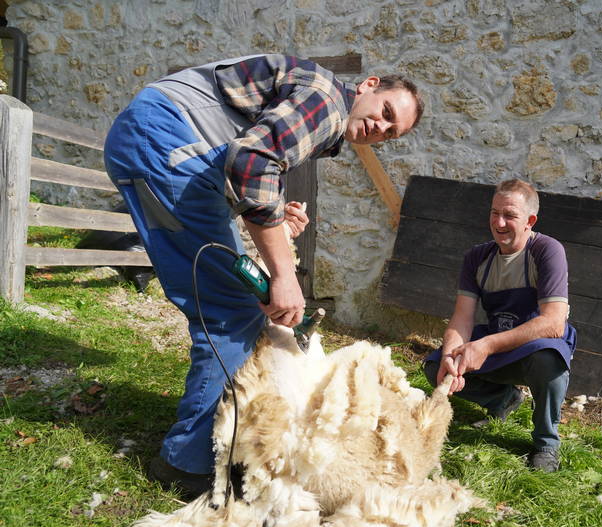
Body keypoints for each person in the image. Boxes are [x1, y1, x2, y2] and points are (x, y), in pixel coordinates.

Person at [103, 54, 423, 496]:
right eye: (386, 112)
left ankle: (218, 437)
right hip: (167, 140)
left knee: (232, 293)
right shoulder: (328, 100)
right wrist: (284, 274)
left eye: (390, 133)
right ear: (369, 85)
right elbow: (251, 162)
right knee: (231, 310)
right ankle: (186, 462)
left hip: (160, 135)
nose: (380, 128)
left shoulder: (322, 107)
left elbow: (251, 157)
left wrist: (275, 214)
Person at [424, 178, 576, 473]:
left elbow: (554, 323)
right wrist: (451, 356)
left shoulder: (547, 251)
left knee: (549, 360)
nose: (499, 222)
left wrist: (485, 346)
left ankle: (546, 442)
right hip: (497, 340)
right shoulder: (477, 257)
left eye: (509, 215)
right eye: (495, 213)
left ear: (530, 221)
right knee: (435, 367)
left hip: (536, 346)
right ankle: (504, 399)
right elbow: (462, 317)